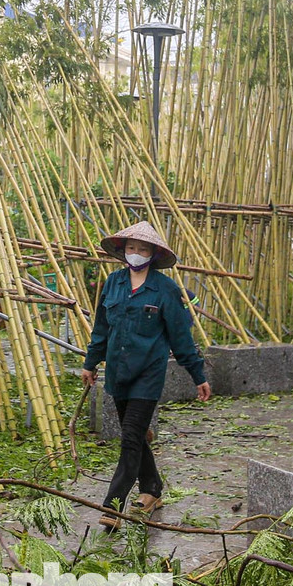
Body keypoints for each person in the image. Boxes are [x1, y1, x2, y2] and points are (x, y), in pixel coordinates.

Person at [80, 221, 210, 532]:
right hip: (118, 373)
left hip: (148, 374)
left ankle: (112, 506)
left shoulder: (165, 290)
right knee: (135, 435)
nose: (137, 253)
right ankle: (152, 489)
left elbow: (180, 337)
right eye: (132, 248)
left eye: (143, 249)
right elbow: (101, 328)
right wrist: (90, 362)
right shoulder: (113, 283)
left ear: (152, 254)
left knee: (129, 438)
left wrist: (197, 374)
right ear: (123, 251)